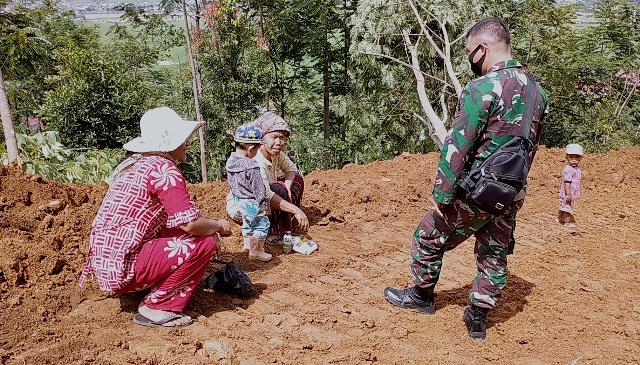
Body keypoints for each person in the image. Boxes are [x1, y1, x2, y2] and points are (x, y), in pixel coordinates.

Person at [383, 17, 549, 340]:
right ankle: (477, 316)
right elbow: (531, 147)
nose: (470, 59)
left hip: (475, 191)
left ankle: (421, 296)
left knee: (428, 235)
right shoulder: (537, 94)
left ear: (483, 49)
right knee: (494, 251)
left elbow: (457, 145)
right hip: (511, 191)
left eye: (470, 52)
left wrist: (442, 192)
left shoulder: (481, 88)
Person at [79, 107, 232, 328]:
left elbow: (173, 221)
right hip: (124, 268)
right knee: (204, 243)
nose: (187, 142)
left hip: (109, 263)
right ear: (169, 141)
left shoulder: (135, 165)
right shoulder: (163, 169)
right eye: (184, 138)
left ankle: (147, 285)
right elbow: (190, 223)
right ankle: (156, 306)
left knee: (188, 234)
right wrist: (217, 226)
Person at [227, 111, 309, 246]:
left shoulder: (276, 154)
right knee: (278, 188)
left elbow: (291, 169)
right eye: (273, 137)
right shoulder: (255, 160)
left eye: (282, 138)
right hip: (245, 209)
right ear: (262, 138)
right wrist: (296, 209)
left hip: (261, 201)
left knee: (296, 180)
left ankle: (286, 221)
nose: (278, 142)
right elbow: (266, 194)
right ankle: (272, 232)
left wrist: (287, 187)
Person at [225, 124, 273, 261]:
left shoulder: (231, 162)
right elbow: (259, 189)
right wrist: (265, 205)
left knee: (247, 222)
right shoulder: (252, 166)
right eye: (258, 147)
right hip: (251, 200)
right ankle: (256, 251)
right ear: (251, 147)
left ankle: (247, 246)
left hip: (239, 199)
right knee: (262, 224)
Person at [558, 144, 583, 228]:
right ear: (566, 158)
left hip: (568, 193)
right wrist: (568, 194)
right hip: (568, 193)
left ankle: (560, 219)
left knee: (563, 206)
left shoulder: (576, 168)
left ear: (581, 158)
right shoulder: (568, 169)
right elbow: (567, 182)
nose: (574, 160)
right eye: (571, 157)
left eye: (577, 157)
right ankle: (567, 223)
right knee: (568, 208)